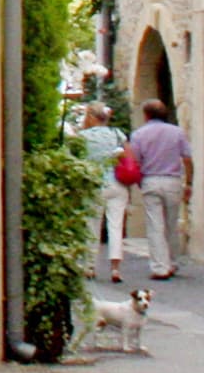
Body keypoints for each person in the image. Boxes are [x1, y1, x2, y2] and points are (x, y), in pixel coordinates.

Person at [125, 98, 191, 281]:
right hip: (172, 180)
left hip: (151, 180)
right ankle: (172, 261)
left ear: (146, 115)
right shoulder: (177, 132)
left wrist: (139, 181)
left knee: (155, 225)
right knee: (171, 223)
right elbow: (187, 158)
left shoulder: (139, 134)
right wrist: (189, 183)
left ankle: (160, 267)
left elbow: (135, 161)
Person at [74, 97, 131, 281]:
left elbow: (77, 161)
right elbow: (129, 156)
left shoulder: (82, 137)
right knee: (116, 226)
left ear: (91, 116)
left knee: (92, 225)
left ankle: (90, 266)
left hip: (95, 184)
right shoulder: (117, 134)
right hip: (117, 184)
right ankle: (115, 268)